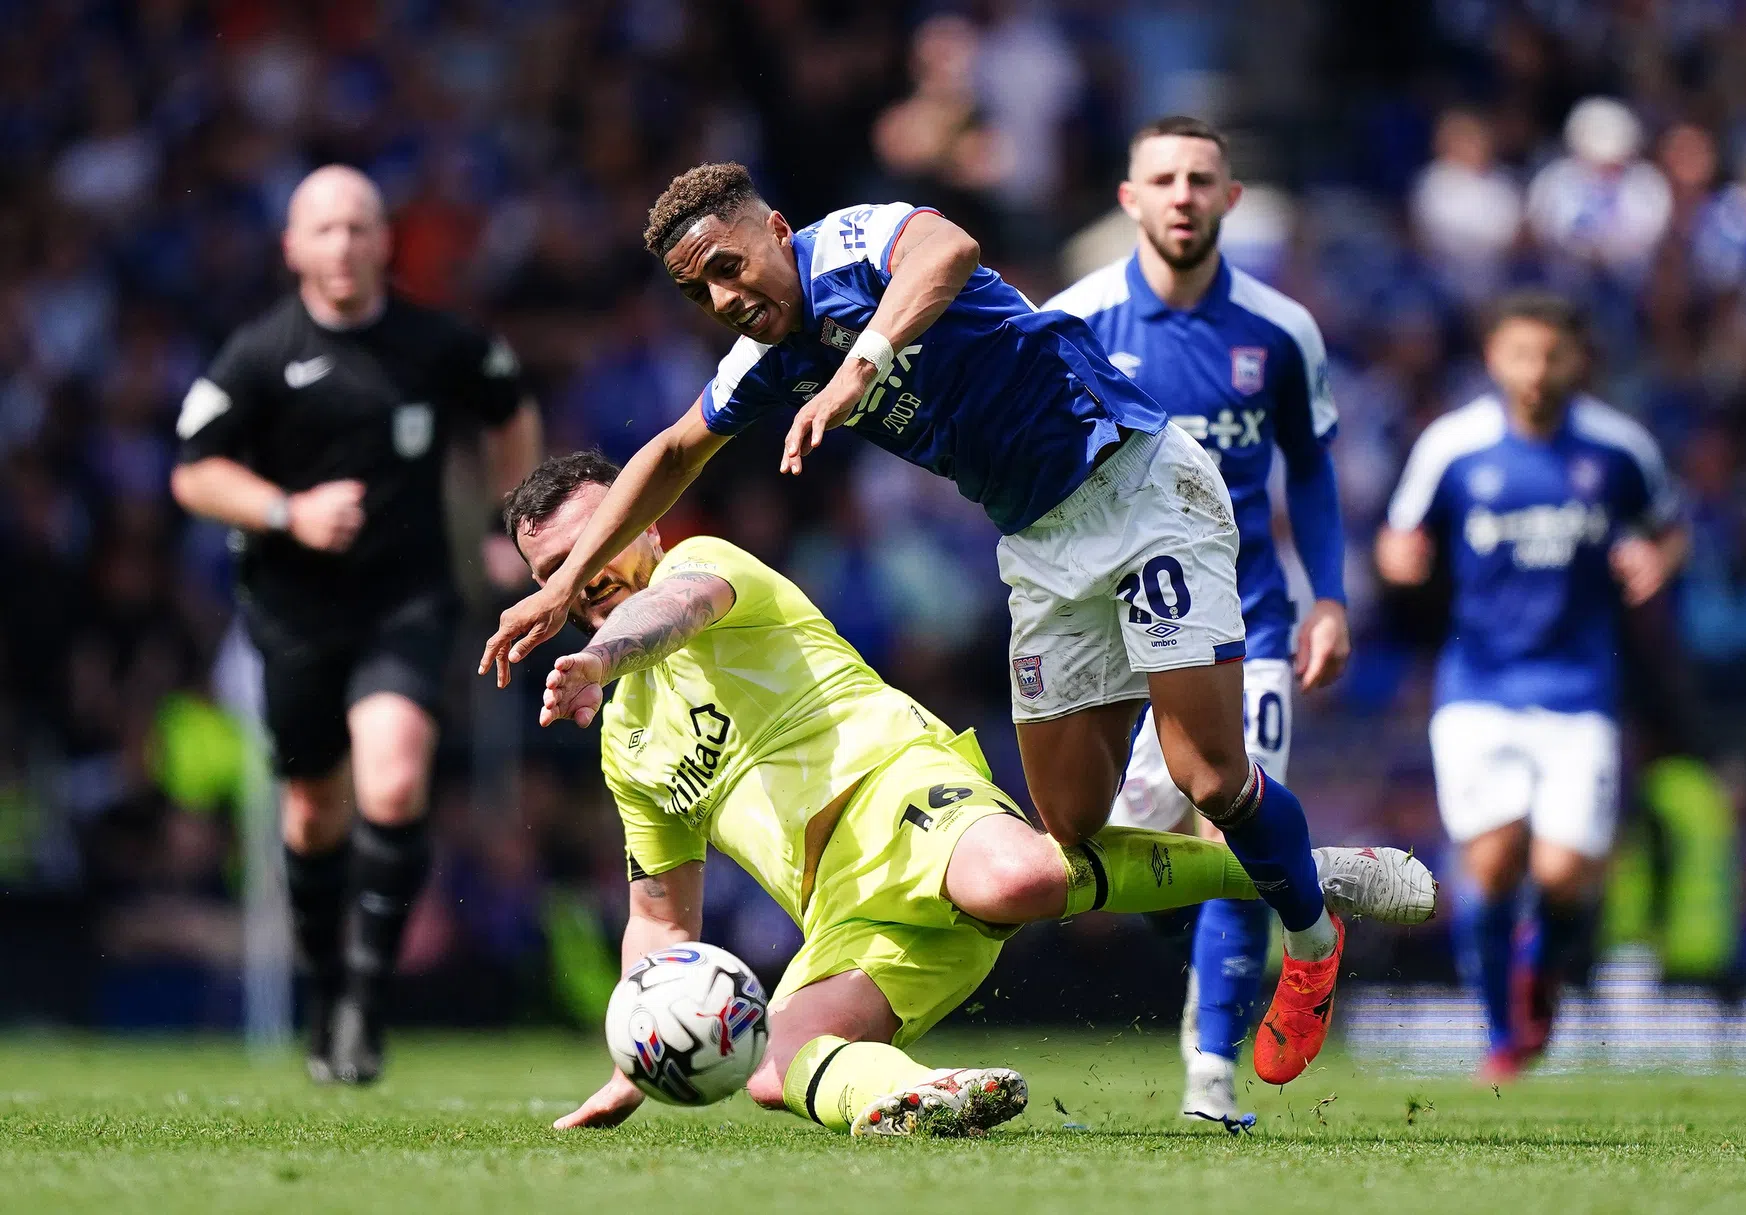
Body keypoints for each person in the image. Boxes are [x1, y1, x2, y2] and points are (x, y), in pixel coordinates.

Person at [480, 162, 1403, 1085]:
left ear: (775, 227)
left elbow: (950, 248)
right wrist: (561, 591)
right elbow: (677, 446)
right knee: (1071, 826)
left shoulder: (849, 245)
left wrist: (860, 366)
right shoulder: (764, 359)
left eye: (728, 265)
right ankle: (1282, 866)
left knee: (1205, 773)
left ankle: (1312, 939)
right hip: (1039, 545)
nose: (722, 297)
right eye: (698, 289)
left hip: (1137, 482)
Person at [501, 451, 1436, 1137]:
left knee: (1012, 882)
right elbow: (661, 922)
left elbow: (671, 612)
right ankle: (916, 1097)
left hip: (898, 788)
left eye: (596, 544)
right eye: (553, 572)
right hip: (840, 908)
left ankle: (1295, 873)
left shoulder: (702, 566)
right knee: (773, 1068)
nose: (579, 578)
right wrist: (638, 1049)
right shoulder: (625, 740)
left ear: (647, 521)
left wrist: (599, 651)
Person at [169, 165, 542, 1083]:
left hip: (406, 601)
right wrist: (288, 511)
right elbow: (193, 473)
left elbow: (509, 409)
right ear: (293, 246)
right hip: (295, 615)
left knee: (395, 778)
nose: (342, 244)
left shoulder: (435, 342)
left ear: (385, 241)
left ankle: (368, 1007)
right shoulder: (259, 355)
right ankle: (327, 987)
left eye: (359, 227)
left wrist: (512, 522)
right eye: (324, 228)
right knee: (313, 809)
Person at [1047, 116, 1349, 1130]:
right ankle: (1253, 956)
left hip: (1245, 625)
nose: (1181, 195)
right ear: (1129, 199)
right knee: (1114, 853)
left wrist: (1330, 597)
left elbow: (1307, 468)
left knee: (1227, 809)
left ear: (1229, 198)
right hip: (1109, 627)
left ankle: (1210, 1079)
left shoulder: (1278, 330)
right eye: (1162, 179)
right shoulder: (1074, 322)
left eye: (1200, 179)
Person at [1376, 291, 1687, 1080]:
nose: (1535, 371)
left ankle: (1540, 981)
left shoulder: (1617, 449)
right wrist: (1398, 561)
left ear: (1578, 360)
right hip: (1478, 683)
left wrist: (1656, 558)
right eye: (1520, 354)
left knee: (1559, 871)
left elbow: (1668, 524)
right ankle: (1499, 1034)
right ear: (1493, 358)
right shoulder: (1454, 445)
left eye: (1551, 355)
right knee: (1488, 861)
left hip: (1579, 686)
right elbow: (1396, 533)